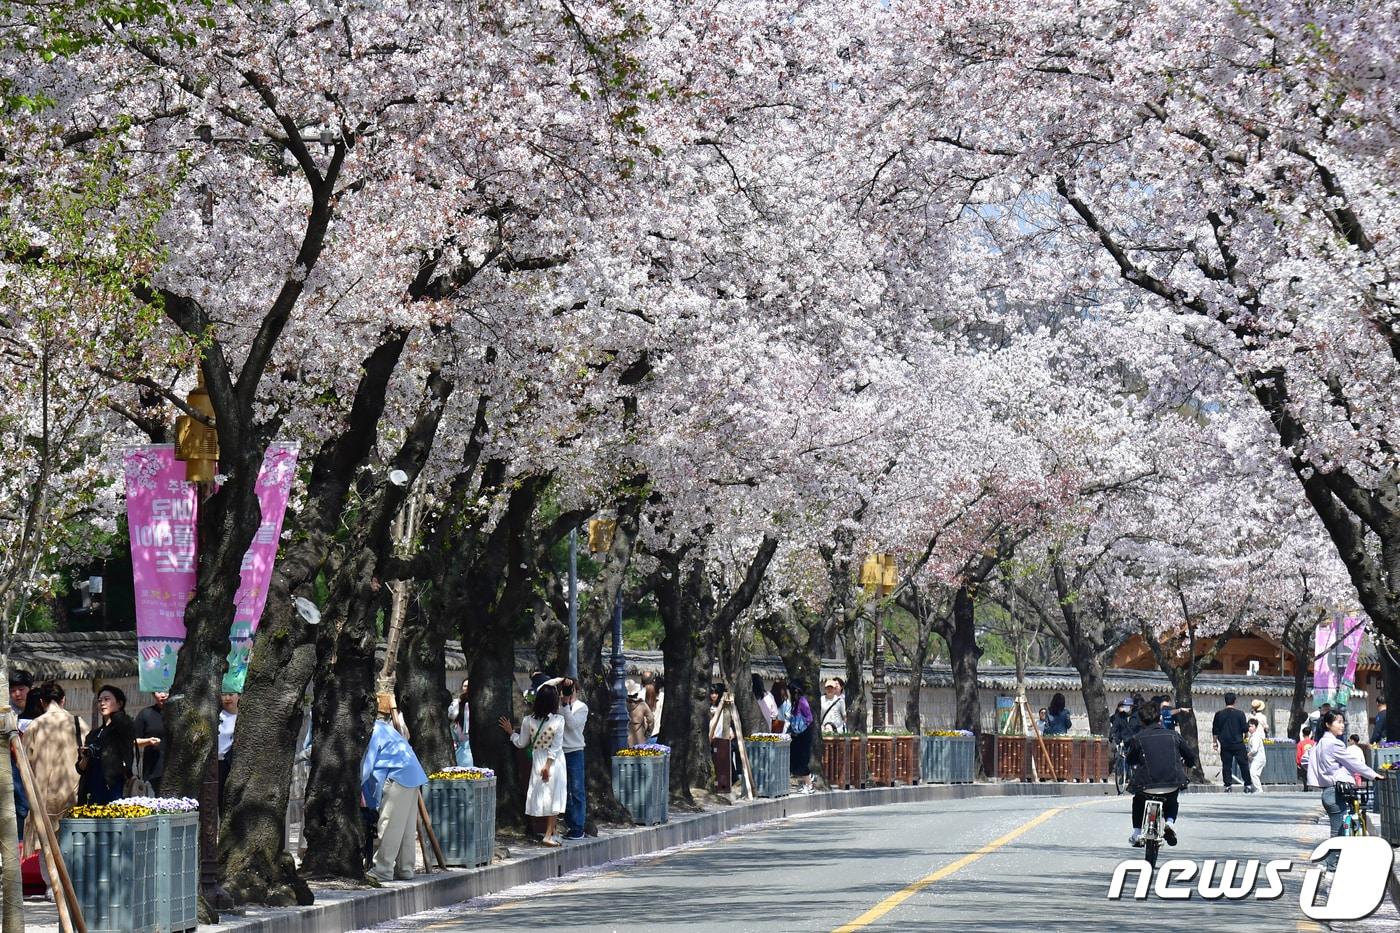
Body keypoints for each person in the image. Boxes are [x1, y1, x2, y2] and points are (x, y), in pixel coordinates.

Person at [1306, 710, 1387, 876]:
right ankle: (1331, 866)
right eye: (1338, 722)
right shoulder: (1334, 744)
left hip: (1327, 792)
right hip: (1334, 792)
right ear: (1328, 725)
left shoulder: (1319, 743)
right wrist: (1373, 774)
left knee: (1339, 830)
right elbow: (1353, 762)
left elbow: (1305, 761)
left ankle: (1333, 864)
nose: (1342, 725)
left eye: (1343, 722)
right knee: (1337, 833)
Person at [361, 694, 429, 881]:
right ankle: (405, 869)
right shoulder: (386, 728)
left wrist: (354, 787)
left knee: (389, 824)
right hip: (413, 774)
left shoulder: (373, 731)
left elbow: (367, 767)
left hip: (397, 776)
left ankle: (382, 870)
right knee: (406, 827)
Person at [21, 683, 86, 857]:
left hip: (43, 796)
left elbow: (24, 763)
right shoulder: (78, 723)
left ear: (42, 702)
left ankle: (52, 885)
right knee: (71, 847)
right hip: (74, 794)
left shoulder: (34, 726)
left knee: (46, 850)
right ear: (63, 700)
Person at [501, 682, 566, 847]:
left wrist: (511, 733)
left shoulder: (528, 720)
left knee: (545, 796)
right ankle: (548, 834)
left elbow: (521, 743)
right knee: (555, 796)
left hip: (537, 759)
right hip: (555, 762)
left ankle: (554, 832)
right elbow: (556, 745)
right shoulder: (559, 720)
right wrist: (548, 765)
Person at [1125, 702, 1198, 847]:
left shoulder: (1138, 738)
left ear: (1141, 720)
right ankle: (1170, 822)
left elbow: (1130, 760)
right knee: (1172, 802)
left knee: (1138, 802)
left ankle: (1137, 832)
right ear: (1159, 717)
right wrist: (1190, 764)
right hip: (1171, 784)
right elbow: (1190, 755)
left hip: (1145, 786)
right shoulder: (1173, 735)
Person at [76, 684, 136, 805]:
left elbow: (126, 726)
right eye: (99, 701)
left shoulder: (123, 727)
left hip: (114, 785)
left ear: (119, 703)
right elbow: (80, 768)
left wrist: (117, 712)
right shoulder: (93, 734)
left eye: (107, 699)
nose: (102, 703)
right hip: (93, 788)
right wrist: (85, 756)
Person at [559, 676, 588, 841]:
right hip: (559, 752)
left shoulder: (581, 707)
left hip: (575, 751)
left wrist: (566, 705)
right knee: (563, 790)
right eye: (565, 690)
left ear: (577, 690)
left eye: (570, 690)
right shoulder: (558, 705)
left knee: (577, 791)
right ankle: (570, 823)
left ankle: (578, 828)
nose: (568, 693)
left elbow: (571, 725)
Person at [1212, 691, 1256, 792]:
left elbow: (1215, 730)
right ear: (1234, 701)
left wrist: (1215, 743)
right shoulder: (1240, 714)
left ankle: (1227, 786)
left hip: (1225, 744)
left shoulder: (1218, 714)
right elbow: (1245, 728)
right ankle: (1248, 785)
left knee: (1226, 765)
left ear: (1225, 701)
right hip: (1238, 743)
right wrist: (1245, 736)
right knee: (1243, 764)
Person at [134, 691, 167, 796]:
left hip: (177, 769)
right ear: (153, 694)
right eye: (159, 691)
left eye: (166, 691)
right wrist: (148, 741)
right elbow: (133, 740)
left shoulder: (181, 713)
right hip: (154, 770)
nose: (163, 695)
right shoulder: (146, 714)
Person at [787, 680, 815, 794]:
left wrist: (801, 726)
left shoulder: (802, 701)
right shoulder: (795, 703)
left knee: (803, 760)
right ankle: (804, 783)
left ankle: (809, 784)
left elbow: (809, 718)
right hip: (796, 735)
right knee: (796, 760)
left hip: (803, 735)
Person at [218, 691, 238, 806]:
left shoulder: (245, 718)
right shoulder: (217, 716)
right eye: (224, 694)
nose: (227, 698)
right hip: (218, 764)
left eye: (231, 694)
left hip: (233, 764)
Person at [449, 680, 473, 767]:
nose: (467, 688)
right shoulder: (457, 703)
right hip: (461, 751)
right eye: (465, 686)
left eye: (468, 685)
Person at [625, 680, 654, 747]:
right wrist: (647, 734)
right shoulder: (642, 705)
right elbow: (651, 719)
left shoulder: (622, 705)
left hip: (624, 741)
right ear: (636, 693)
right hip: (640, 741)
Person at [1246, 718, 1267, 793]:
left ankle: (1259, 789)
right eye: (1249, 726)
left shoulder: (1256, 736)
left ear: (1255, 727)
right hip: (1256, 758)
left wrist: (1248, 754)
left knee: (1253, 772)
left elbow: (1255, 749)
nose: (1250, 728)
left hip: (1258, 758)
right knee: (1255, 774)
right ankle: (1255, 789)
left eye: (1252, 726)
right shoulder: (1252, 736)